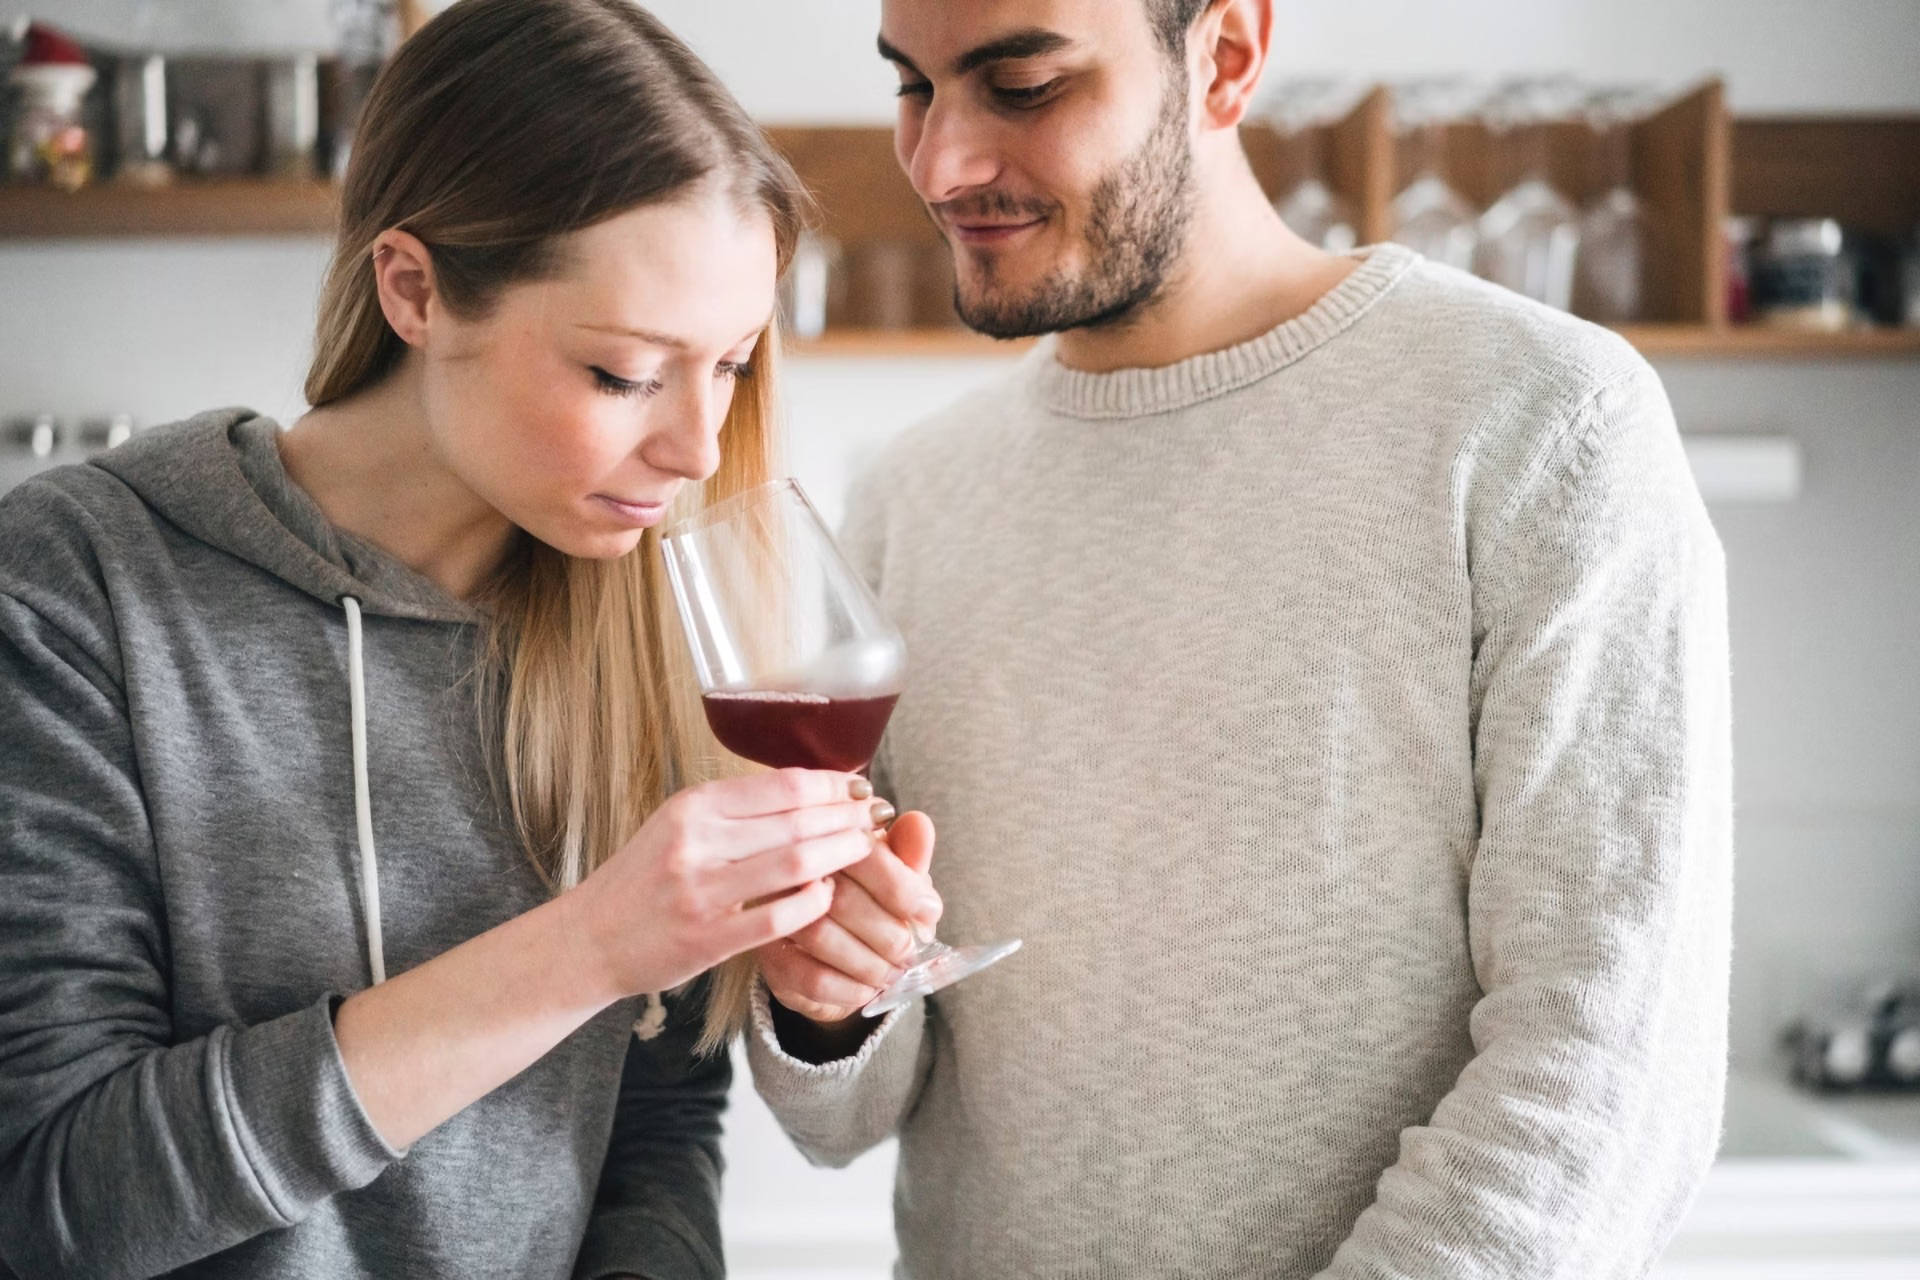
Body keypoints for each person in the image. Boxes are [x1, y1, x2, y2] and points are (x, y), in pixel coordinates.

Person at [746, 1, 1734, 1277]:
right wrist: (826, 1003)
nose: (942, 164)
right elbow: (849, 1115)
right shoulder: (913, 492)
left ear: (1225, 57)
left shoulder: (1541, 420)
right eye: (914, 90)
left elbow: (1610, 1073)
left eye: (1024, 86)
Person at [0, 2, 922, 1277]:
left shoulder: (652, 613)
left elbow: (651, 1117)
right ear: (414, 288)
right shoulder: (76, 587)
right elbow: (51, 1196)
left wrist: (808, 999)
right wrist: (589, 942)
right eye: (622, 373)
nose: (699, 448)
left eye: (731, 365)